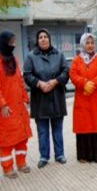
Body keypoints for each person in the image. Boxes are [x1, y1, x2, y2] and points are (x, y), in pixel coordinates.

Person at [23, 29, 69, 168]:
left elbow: (66, 71)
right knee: (42, 131)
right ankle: (44, 156)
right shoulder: (31, 56)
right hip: (40, 98)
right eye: (40, 37)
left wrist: (55, 81)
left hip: (56, 97)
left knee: (57, 129)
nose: (43, 39)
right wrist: (39, 83)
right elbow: (27, 75)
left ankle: (60, 154)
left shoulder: (59, 55)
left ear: (49, 39)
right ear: (37, 41)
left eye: (45, 37)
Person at [0, 31, 32, 178]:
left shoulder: (13, 59)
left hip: (19, 107)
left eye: (14, 42)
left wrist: (26, 99)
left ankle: (21, 163)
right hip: (6, 108)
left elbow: (20, 81)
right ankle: (7, 168)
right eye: (11, 42)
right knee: (7, 141)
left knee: (21, 138)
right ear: (3, 42)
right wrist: (3, 105)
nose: (13, 45)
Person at [69, 33, 97, 163]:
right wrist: (83, 83)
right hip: (82, 98)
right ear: (83, 44)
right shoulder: (76, 60)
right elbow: (72, 74)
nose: (90, 45)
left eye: (92, 43)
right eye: (87, 43)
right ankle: (85, 155)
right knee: (84, 127)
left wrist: (91, 85)